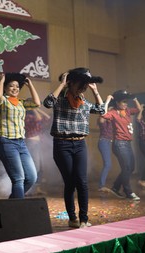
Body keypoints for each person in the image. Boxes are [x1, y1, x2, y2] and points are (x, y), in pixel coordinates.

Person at [43, 67, 104, 228]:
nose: (83, 87)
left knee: (82, 182)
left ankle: (84, 219)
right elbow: (47, 103)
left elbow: (102, 110)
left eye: (86, 85)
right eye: (81, 84)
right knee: (70, 182)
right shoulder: (60, 98)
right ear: (71, 83)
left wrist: (95, 92)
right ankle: (72, 218)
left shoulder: (84, 101)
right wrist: (62, 85)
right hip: (62, 144)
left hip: (80, 144)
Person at [0, 73, 40, 199]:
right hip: (6, 142)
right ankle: (18, 211)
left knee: (31, 177)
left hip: (21, 143)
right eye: (11, 86)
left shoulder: (21, 102)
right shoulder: (2, 100)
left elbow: (37, 103)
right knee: (18, 179)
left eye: (17, 86)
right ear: (5, 88)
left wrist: (30, 85)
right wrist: (2, 80)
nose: (15, 88)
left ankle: (13, 201)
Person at [103, 90, 142, 201]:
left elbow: (139, 109)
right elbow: (104, 114)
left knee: (130, 168)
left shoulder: (128, 111)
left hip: (127, 144)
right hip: (119, 144)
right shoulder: (114, 113)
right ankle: (128, 191)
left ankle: (115, 187)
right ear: (117, 103)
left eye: (126, 102)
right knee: (126, 168)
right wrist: (108, 100)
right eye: (123, 102)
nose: (125, 104)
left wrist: (134, 99)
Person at [24, 106, 51, 195]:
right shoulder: (27, 117)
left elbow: (47, 118)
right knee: (35, 167)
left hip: (37, 143)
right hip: (31, 143)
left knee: (40, 167)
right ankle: (29, 189)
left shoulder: (34, 115)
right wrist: (34, 108)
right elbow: (39, 119)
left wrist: (37, 108)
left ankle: (36, 188)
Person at [97, 107, 113, 193]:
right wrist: (106, 110)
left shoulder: (110, 119)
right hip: (103, 142)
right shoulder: (102, 118)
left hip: (108, 142)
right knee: (108, 164)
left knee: (108, 164)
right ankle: (101, 186)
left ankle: (101, 185)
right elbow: (101, 121)